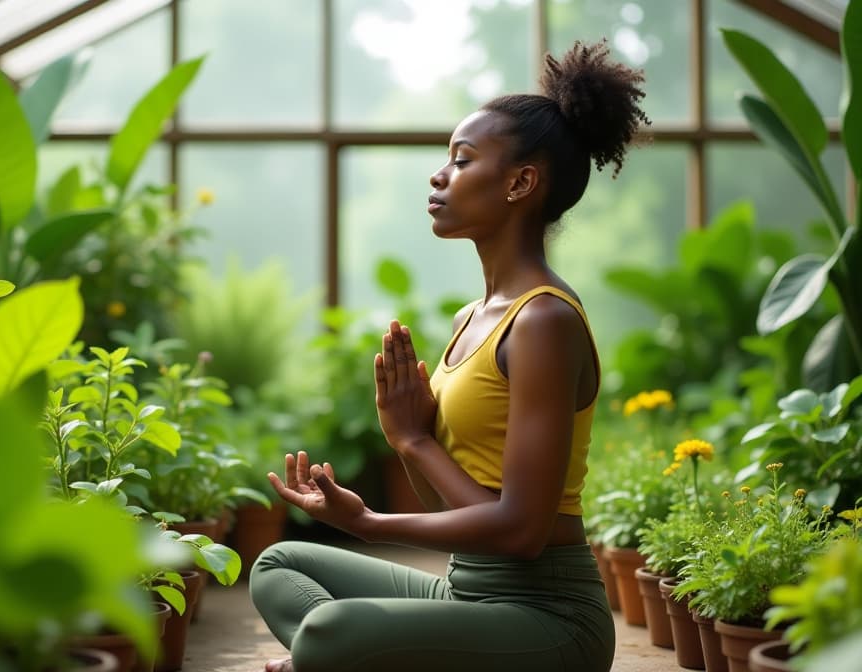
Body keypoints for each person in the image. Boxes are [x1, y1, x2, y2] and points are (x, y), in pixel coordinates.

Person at [249, 39, 649, 672]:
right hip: (466, 591)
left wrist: (377, 516)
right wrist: (408, 438)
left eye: (461, 161)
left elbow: (520, 533)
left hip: (547, 617)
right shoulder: (471, 319)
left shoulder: (543, 320)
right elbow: (455, 508)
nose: (439, 176)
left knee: (328, 631)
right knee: (279, 565)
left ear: (521, 182)